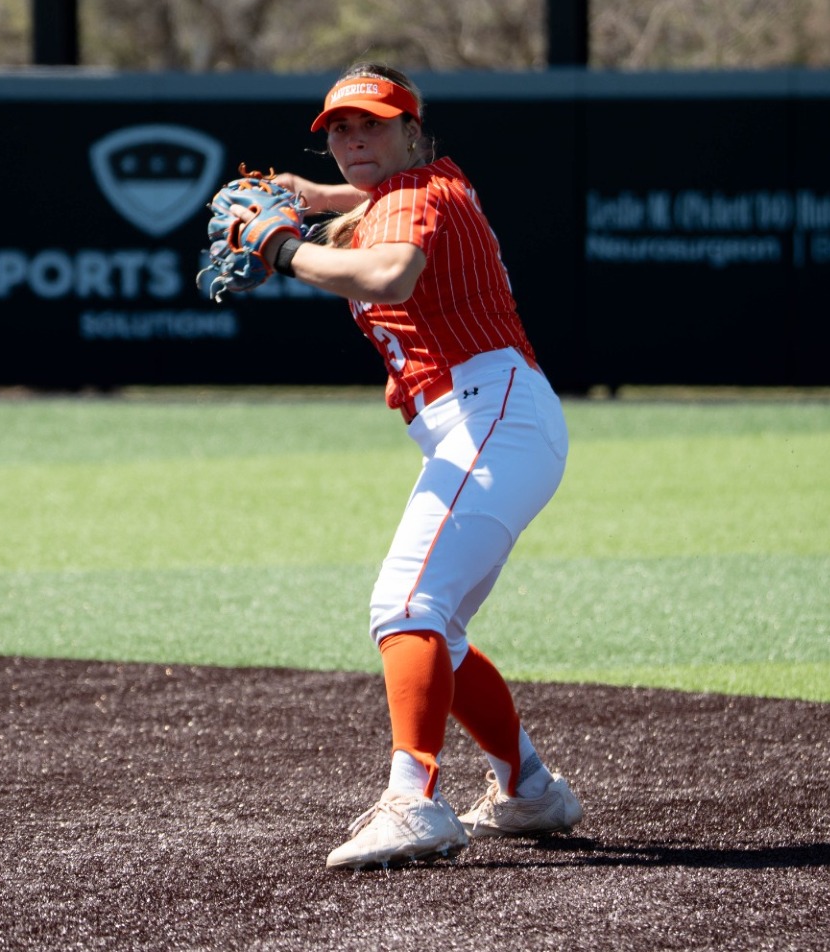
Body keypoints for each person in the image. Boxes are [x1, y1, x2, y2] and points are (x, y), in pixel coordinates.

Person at [227, 63, 583, 870]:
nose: (354, 140)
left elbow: (389, 270)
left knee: (406, 604)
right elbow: (368, 206)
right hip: (495, 418)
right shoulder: (416, 189)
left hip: (490, 413)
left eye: (373, 126)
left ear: (414, 133)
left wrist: (282, 247)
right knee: (439, 630)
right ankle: (529, 788)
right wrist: (314, 197)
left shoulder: (417, 196)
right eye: (340, 131)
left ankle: (413, 802)